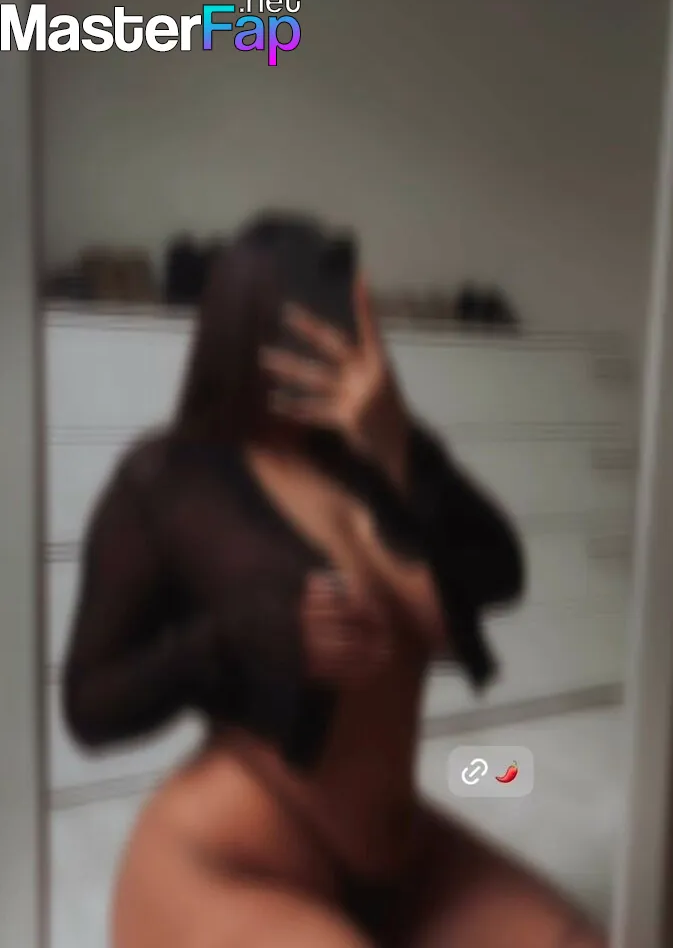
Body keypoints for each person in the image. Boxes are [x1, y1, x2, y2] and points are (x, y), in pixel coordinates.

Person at [62, 214, 606, 947]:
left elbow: (499, 569)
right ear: (253, 326)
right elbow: (90, 703)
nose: (347, 338)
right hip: (233, 859)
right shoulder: (169, 477)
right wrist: (245, 637)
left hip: (395, 859)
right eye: (318, 317)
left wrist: (398, 440)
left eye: (353, 315)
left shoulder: (374, 461)